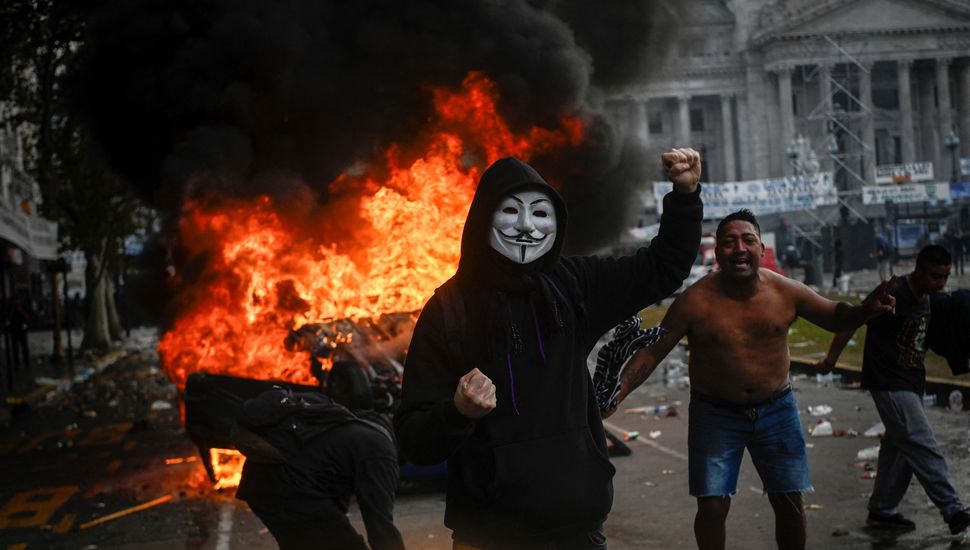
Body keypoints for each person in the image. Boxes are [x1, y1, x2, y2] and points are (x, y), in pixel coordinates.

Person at [395, 151, 703, 548]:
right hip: (488, 534)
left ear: (556, 223)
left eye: (540, 213)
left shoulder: (574, 285)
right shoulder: (448, 309)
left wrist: (684, 195)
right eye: (510, 211)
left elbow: (662, 268)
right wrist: (457, 412)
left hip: (577, 528)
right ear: (483, 217)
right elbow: (415, 439)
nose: (525, 226)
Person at [605, 209, 895, 550]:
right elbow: (652, 353)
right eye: (729, 242)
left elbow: (834, 317)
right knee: (712, 505)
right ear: (717, 251)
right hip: (715, 414)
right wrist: (616, 394)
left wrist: (865, 309)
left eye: (748, 240)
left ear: (760, 248)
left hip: (777, 409)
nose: (739, 248)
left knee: (788, 501)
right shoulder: (694, 301)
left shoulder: (785, 291)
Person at [816, 244, 970, 538]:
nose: (942, 284)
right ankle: (954, 511)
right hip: (889, 382)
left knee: (899, 448)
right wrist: (830, 360)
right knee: (921, 442)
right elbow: (852, 321)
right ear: (919, 270)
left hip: (911, 382)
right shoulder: (894, 292)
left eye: (946, 277)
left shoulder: (927, 297)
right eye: (937, 277)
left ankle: (882, 511)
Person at [234, 365, 405, 550]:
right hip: (286, 491)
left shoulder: (365, 423)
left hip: (267, 483)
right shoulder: (381, 454)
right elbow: (381, 528)